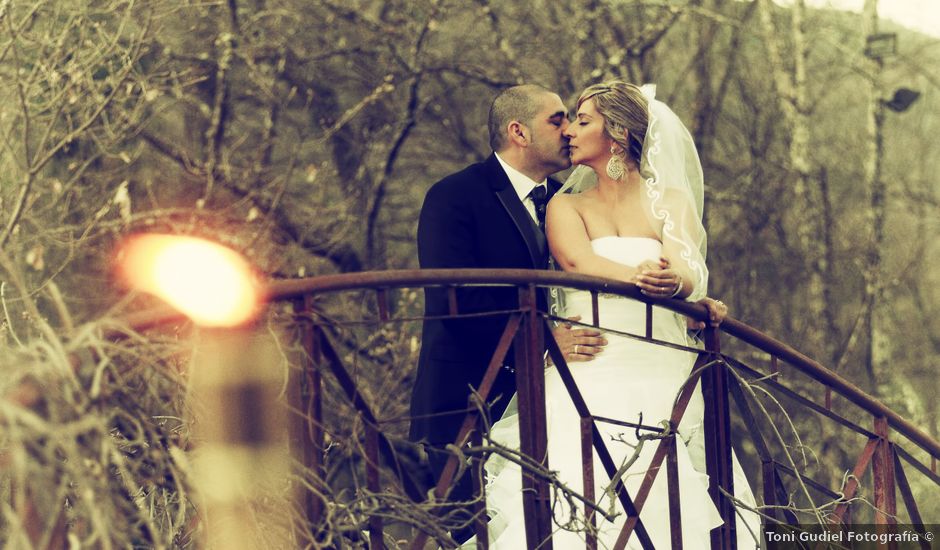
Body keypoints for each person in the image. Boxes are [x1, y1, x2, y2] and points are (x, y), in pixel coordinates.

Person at [478, 81, 759, 548]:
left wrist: (681, 287)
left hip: (661, 362)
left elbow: (689, 267)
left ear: (619, 132)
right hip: (590, 360)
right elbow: (577, 263)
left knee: (667, 486)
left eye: (583, 121)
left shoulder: (670, 202)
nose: (569, 131)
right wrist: (643, 280)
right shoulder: (564, 204)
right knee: (574, 472)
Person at [408, 84, 608, 536]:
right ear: (519, 131)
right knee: (468, 535)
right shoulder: (454, 195)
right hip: (467, 399)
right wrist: (539, 341)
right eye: (557, 120)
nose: (569, 130)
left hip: (549, 404)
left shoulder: (565, 202)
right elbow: (453, 297)